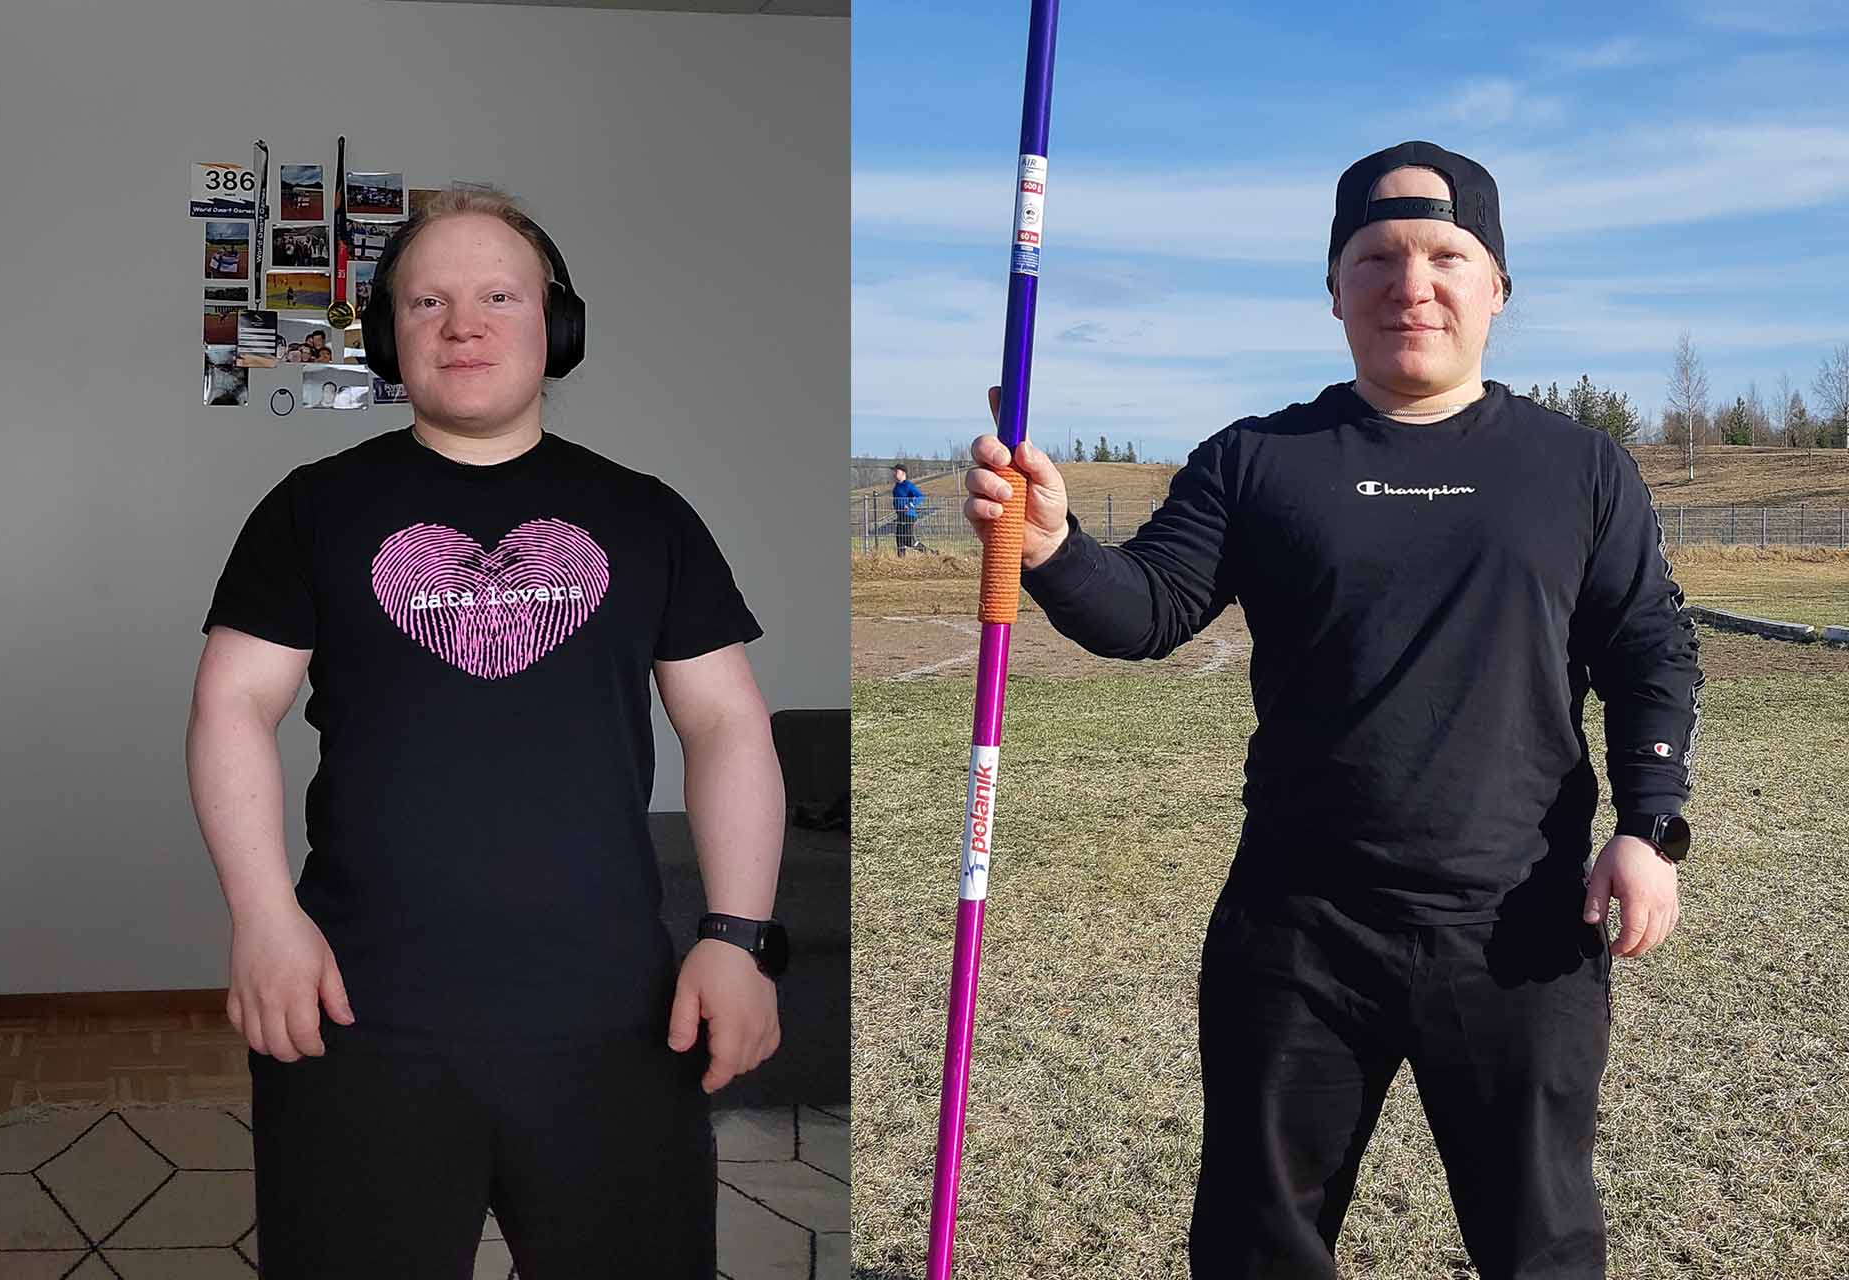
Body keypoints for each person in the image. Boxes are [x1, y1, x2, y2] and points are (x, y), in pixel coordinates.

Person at [960, 141, 1703, 1279]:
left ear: (1497, 285)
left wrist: (1648, 829)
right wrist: (1054, 544)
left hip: (1522, 927)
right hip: (1298, 929)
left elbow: (1649, 648)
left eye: (1448, 255)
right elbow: (1145, 610)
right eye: (1378, 257)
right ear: (1335, 288)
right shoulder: (1260, 459)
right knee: (1262, 1241)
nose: (1413, 283)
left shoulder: (1579, 467)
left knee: (1542, 1241)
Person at [189, 184, 787, 1278]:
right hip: (356, 1006)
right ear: (388, 336)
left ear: (557, 327)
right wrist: (263, 916)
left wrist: (739, 936)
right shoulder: (308, 509)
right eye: (427, 301)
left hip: (612, 1016)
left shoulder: (647, 513)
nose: (463, 324)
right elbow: (233, 703)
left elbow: (727, 722)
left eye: (498, 295)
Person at [890, 463, 924, 555]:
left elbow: (920, 496)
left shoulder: (908, 485)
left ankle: (930, 553)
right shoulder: (896, 486)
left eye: (896, 471)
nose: (894, 473)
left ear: (903, 473)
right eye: (894, 471)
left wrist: (910, 505)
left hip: (908, 515)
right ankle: (901, 561)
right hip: (900, 516)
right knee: (899, 539)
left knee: (908, 540)